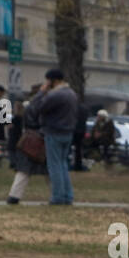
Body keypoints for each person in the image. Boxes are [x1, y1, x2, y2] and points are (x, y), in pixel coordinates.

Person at [29, 68, 79, 206]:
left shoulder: (56, 95)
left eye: (48, 80)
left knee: (54, 166)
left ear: (53, 80)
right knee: (63, 165)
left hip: (54, 131)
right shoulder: (71, 93)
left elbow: (36, 107)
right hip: (67, 132)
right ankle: (67, 196)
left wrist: (41, 92)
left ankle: (57, 197)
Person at [6, 84, 48, 204]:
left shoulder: (29, 106)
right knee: (49, 171)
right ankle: (56, 195)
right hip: (40, 140)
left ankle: (14, 196)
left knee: (24, 171)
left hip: (28, 140)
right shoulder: (41, 106)